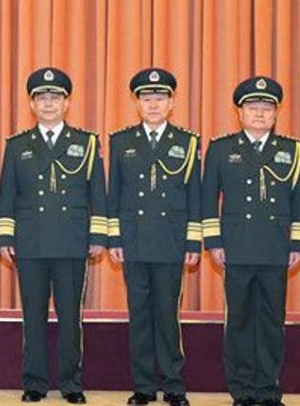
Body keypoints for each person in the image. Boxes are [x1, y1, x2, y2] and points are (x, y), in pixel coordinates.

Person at [0, 67, 107, 404]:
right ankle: (34, 382)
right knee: (33, 316)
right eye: (41, 98)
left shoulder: (86, 142)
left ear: (67, 102)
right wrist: (5, 238)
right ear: (31, 104)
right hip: (30, 243)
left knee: (70, 316)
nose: (48, 103)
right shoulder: (17, 145)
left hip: (72, 242)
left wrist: (98, 234)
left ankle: (71, 383)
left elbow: (97, 194)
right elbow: (7, 196)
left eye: (54, 97)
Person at [202, 76, 300, 406]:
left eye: (267, 107)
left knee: (272, 321)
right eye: (252, 107)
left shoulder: (292, 150)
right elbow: (208, 201)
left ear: (276, 113)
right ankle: (243, 388)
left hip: (276, 248)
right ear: (240, 112)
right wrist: (213, 241)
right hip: (236, 248)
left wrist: (297, 244)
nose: (259, 113)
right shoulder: (221, 149)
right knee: (240, 320)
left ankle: (268, 387)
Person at [107, 68, 201, 406]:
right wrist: (114, 239)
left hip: (171, 241)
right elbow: (113, 194)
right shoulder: (121, 141)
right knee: (140, 315)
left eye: (160, 98)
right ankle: (144, 386)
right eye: (146, 98)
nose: (153, 104)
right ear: (136, 103)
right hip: (133, 241)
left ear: (172, 102)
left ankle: (174, 385)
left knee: (167, 316)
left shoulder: (187, 142)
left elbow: (195, 196)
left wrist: (193, 241)